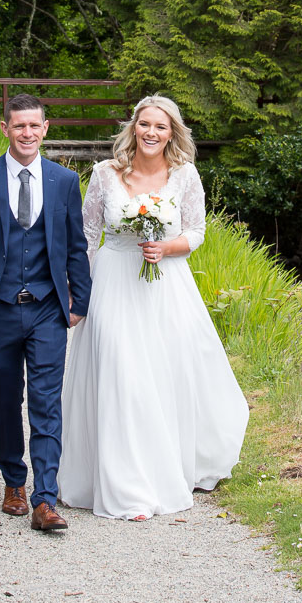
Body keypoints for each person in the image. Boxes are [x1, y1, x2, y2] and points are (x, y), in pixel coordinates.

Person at [57, 94, 249, 520]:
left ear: (171, 133)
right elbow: (87, 233)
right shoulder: (105, 174)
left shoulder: (185, 175)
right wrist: (78, 287)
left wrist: (165, 246)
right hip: (113, 280)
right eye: (144, 124)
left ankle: (160, 470)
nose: (151, 132)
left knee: (159, 376)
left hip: (165, 286)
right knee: (119, 373)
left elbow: (196, 232)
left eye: (160, 127)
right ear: (133, 127)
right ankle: (125, 486)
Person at [0, 93, 91, 532]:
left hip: (49, 309)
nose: (27, 133)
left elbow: (75, 246)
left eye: (35, 126)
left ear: (45, 129)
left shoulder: (64, 182)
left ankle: (44, 498)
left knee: (47, 402)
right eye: (19, 126)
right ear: (6, 129)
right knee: (6, 397)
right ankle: (14, 479)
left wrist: (79, 301)